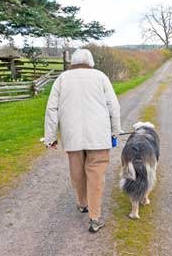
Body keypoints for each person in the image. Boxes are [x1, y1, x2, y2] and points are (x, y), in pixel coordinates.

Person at [44, 49, 121, 233]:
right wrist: (115, 131)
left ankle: (82, 203)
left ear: (72, 62)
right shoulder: (100, 76)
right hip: (99, 136)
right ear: (91, 62)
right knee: (96, 176)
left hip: (72, 135)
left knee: (77, 171)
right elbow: (113, 106)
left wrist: (51, 137)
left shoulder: (62, 79)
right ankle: (95, 218)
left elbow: (51, 109)